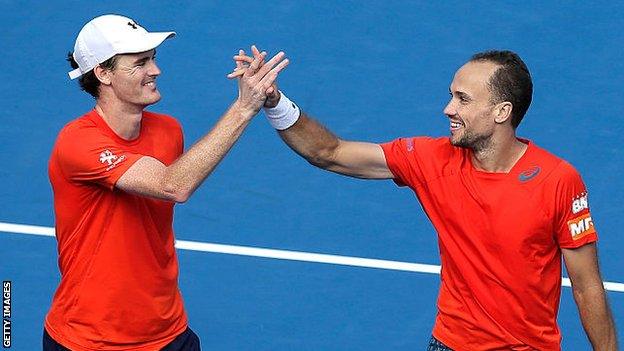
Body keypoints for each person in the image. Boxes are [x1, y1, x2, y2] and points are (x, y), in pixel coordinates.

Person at [230, 48, 618, 350]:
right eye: (451, 96)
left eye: (463, 100)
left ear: (501, 112)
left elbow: (587, 287)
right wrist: (274, 102)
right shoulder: (430, 159)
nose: (448, 109)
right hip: (450, 343)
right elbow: (328, 152)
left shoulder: (558, 180)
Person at [45, 14, 288, 351]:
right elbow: (173, 185)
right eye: (140, 63)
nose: (155, 71)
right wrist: (245, 107)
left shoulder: (168, 130)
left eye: (153, 59)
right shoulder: (78, 143)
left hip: (169, 332)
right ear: (103, 73)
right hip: (90, 341)